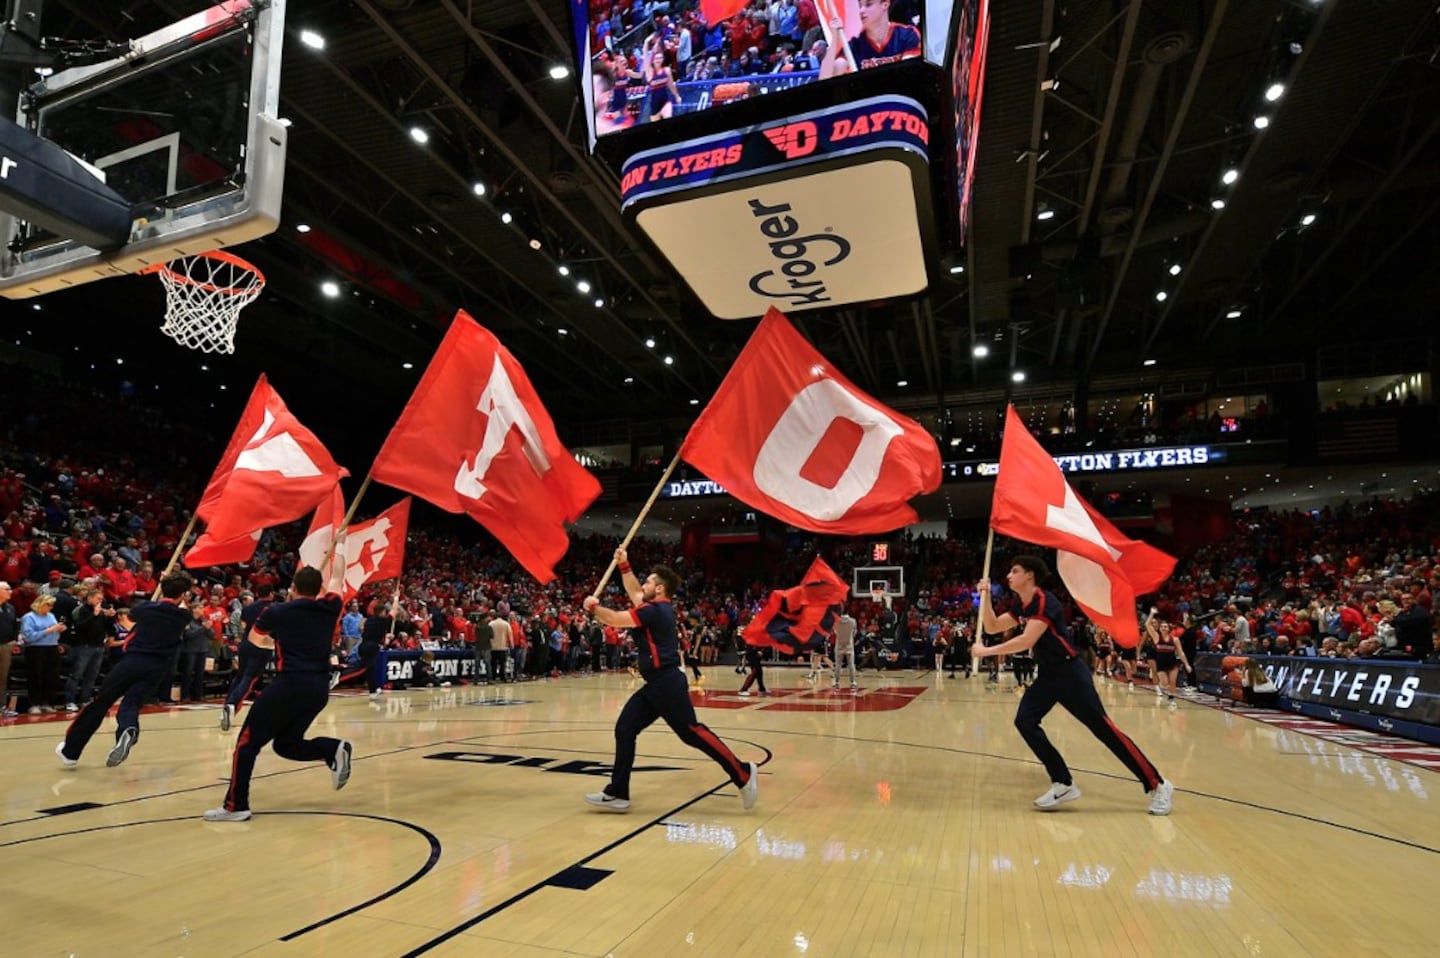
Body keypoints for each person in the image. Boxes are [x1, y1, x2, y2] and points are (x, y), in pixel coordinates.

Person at [971, 556, 1174, 815]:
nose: (1009, 575)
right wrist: (985, 597)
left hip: (1070, 673)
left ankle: (1158, 784)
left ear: (1029, 575)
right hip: (1048, 675)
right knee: (1025, 721)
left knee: (1104, 730)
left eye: (1015, 570)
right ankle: (1063, 782)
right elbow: (992, 626)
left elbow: (1026, 640)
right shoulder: (1021, 604)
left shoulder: (1045, 601)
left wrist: (985, 652)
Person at [581, 547, 758, 813]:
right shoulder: (654, 606)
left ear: (660, 589)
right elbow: (634, 592)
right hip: (656, 683)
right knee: (625, 729)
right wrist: (625, 566)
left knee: (692, 733)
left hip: (666, 681)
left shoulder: (655, 610)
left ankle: (742, 772)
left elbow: (616, 619)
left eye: (649, 582)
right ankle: (618, 793)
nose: (643, 585)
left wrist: (594, 608)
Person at [204, 564, 353, 822]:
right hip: (319, 687)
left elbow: (255, 639)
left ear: (292, 588)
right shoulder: (330, 607)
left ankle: (235, 805)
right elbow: (338, 579)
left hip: (291, 683)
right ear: (319, 589)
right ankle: (332, 749)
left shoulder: (276, 611)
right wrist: (338, 546)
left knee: (247, 743)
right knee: (286, 744)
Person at [57, 573, 194, 768]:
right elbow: (179, 606)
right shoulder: (184, 616)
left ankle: (71, 752)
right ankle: (127, 729)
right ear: (183, 594)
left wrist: (163, 584)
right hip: (159, 666)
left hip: (133, 661)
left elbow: (131, 617)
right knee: (132, 703)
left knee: (101, 703)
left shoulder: (145, 608)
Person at [818, 0, 922, 79]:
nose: (861, 11)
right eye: (860, 5)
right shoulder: (854, 46)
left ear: (885, 4)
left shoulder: (908, 35)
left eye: (868, 4)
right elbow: (825, 78)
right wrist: (835, 39)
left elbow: (909, 76)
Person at [220, 582, 275, 731]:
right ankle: (232, 705)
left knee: (240, 676)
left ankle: (226, 706)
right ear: (271, 594)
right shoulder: (275, 608)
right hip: (262, 645)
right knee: (249, 679)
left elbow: (244, 625)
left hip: (246, 644)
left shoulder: (248, 609)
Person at [65, 585, 113, 711]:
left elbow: (108, 627)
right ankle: (69, 701)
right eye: (98, 599)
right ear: (90, 598)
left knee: (92, 675)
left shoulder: (102, 611)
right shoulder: (80, 610)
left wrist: (110, 617)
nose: (100, 602)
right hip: (83, 646)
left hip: (98, 646)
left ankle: (85, 699)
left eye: (101, 599)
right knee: (76, 674)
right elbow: (80, 627)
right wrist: (95, 614)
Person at [19, 592, 66, 713]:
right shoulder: (28, 617)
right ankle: (34, 703)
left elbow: (54, 631)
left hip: (52, 647)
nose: (51, 607)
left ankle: (46, 702)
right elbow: (29, 637)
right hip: (36, 649)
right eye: (48, 604)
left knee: (51, 676)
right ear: (40, 604)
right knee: (36, 676)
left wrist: (59, 629)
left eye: (52, 605)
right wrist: (49, 630)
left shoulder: (51, 615)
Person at [1144, 609, 1192, 708]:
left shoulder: (1175, 639)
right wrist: (1152, 613)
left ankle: (1172, 699)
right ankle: (1167, 692)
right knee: (1164, 684)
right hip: (1161, 663)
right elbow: (1147, 625)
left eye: (1165, 627)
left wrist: (1187, 664)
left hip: (1172, 662)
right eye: (1161, 627)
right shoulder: (1156, 637)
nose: (1163, 628)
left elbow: (1181, 653)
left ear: (1169, 628)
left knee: (1172, 681)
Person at [0, 580, 18, 717]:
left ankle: (2, 707)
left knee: (3, 678)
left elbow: (14, 625)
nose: (10, 591)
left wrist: (14, 639)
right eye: (7, 589)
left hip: (5, 646)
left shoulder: (10, 608)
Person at [832, 607, 858, 690]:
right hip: (849, 645)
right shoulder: (853, 621)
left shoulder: (836, 621)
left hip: (839, 645)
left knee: (838, 665)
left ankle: (836, 683)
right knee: (851, 665)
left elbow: (835, 631)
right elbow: (854, 633)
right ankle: (853, 682)